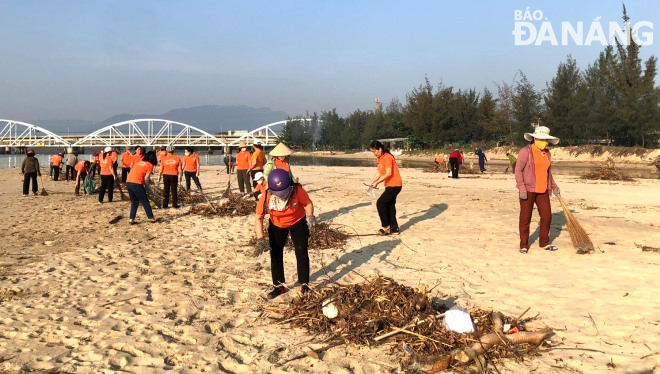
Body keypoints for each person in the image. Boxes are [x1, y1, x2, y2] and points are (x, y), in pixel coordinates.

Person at [253, 169, 315, 299]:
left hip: (297, 222)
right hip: (277, 226)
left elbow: (308, 203)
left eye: (283, 192)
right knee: (275, 253)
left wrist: (310, 216)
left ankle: (304, 284)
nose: (281, 195)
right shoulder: (266, 197)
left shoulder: (297, 191)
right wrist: (260, 239)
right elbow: (258, 217)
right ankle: (279, 287)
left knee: (301, 250)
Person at [515, 126, 561, 254]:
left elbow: (548, 172)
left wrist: (554, 186)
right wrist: (522, 188)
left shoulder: (547, 153)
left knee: (547, 216)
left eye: (546, 140)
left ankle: (544, 243)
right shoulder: (526, 152)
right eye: (541, 139)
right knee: (525, 218)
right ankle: (524, 245)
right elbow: (518, 170)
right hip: (527, 190)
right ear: (534, 138)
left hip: (543, 190)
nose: (544, 142)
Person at [368, 140, 403, 235]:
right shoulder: (380, 158)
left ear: (380, 149)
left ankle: (386, 227)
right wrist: (372, 182)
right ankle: (394, 229)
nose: (374, 154)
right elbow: (379, 173)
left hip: (395, 185)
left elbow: (388, 173)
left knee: (380, 203)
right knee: (390, 206)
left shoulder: (387, 157)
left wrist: (377, 183)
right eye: (372, 152)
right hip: (389, 185)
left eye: (375, 151)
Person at [126, 151, 157, 224]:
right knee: (145, 201)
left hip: (128, 182)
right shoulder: (150, 165)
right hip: (136, 183)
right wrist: (149, 189)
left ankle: (131, 219)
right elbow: (146, 179)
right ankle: (151, 218)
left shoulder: (138, 163)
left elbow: (139, 174)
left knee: (134, 202)